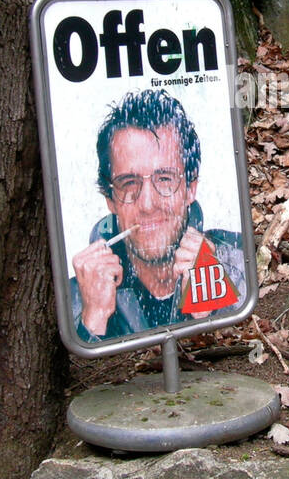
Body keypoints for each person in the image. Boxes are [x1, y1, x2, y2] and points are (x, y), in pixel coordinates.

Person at [71, 89, 245, 342]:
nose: (148, 204)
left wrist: (211, 302)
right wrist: (93, 318)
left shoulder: (238, 264)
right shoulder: (78, 293)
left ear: (190, 188)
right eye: (129, 183)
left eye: (164, 179)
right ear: (110, 199)